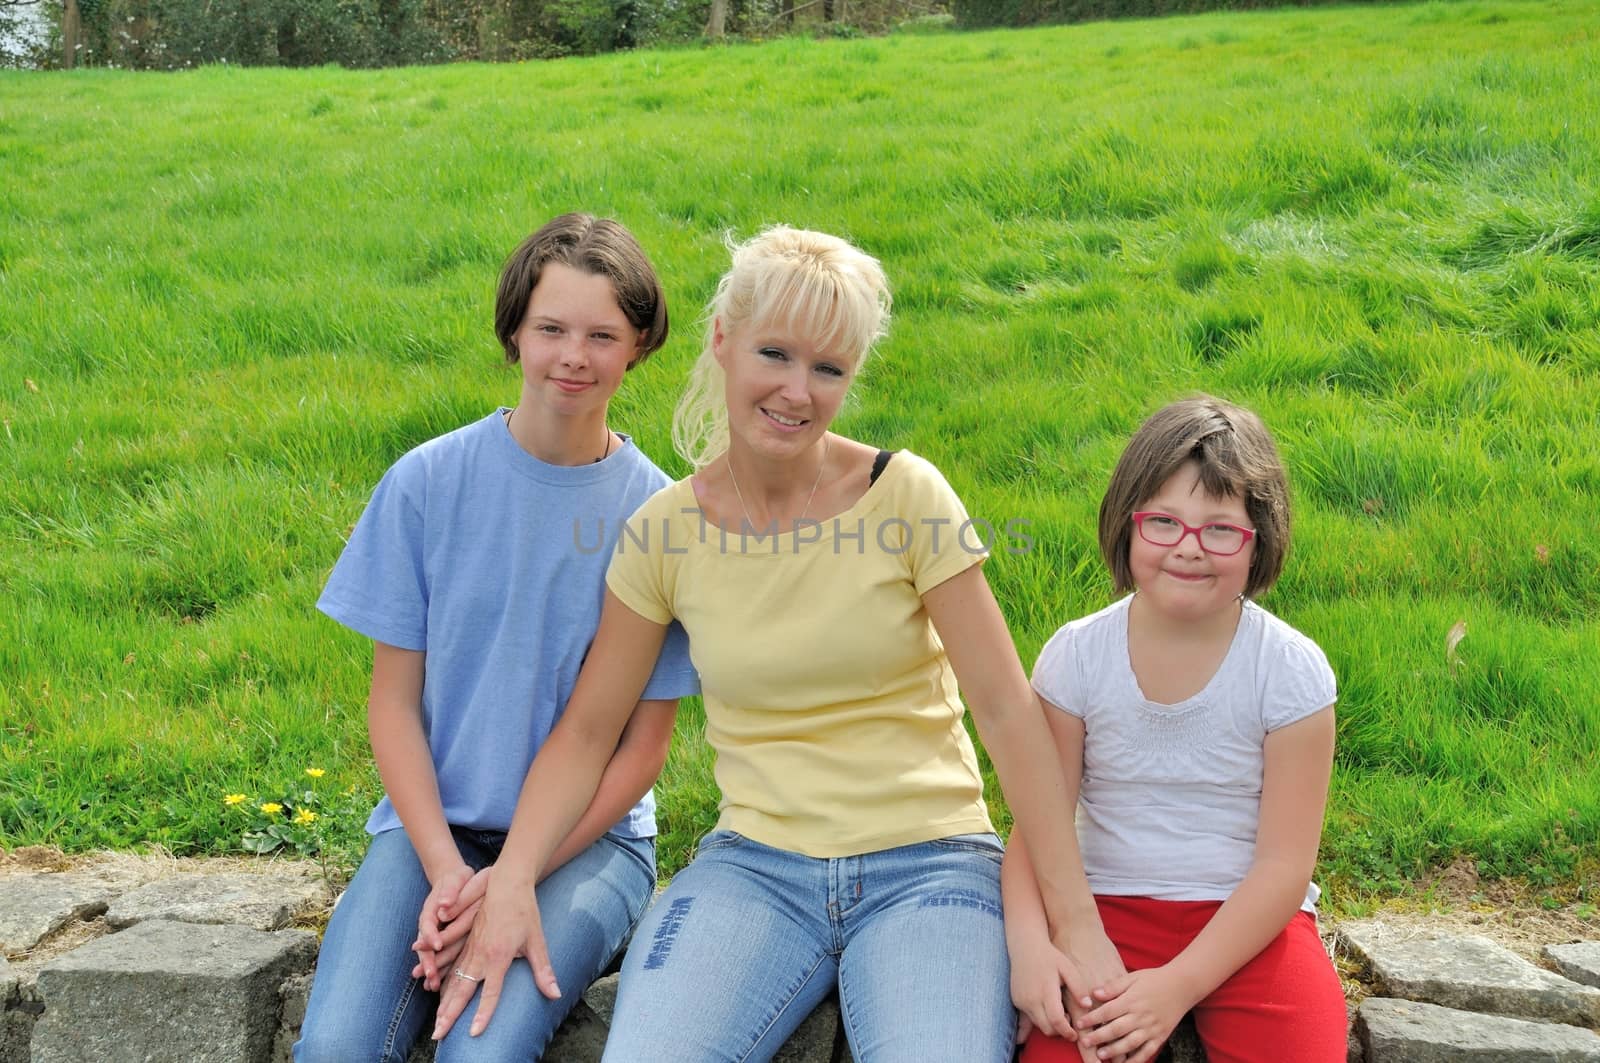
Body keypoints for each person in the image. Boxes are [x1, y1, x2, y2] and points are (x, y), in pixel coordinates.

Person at [431, 226, 1088, 1061]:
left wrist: (1073, 923)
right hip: (755, 870)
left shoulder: (906, 494)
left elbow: (1006, 710)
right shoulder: (662, 531)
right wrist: (513, 877)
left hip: (931, 864)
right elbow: (590, 730)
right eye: (773, 353)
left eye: (829, 368)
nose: (796, 390)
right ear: (723, 342)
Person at [294, 213, 699, 1063]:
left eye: (602, 335)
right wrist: (447, 872)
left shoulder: (659, 518)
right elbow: (393, 704)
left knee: (480, 1052)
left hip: (589, 842)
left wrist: (515, 876)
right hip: (432, 830)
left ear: (638, 348)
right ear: (514, 331)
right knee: (335, 1046)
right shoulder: (426, 482)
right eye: (550, 328)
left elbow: (642, 750)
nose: (572, 357)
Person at [1005, 395, 1346, 1063]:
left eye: (1221, 530)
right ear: (1127, 526)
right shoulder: (1077, 656)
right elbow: (1035, 823)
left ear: (1259, 541)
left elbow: (1283, 865)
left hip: (1249, 923)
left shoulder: (1289, 670)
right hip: (1100, 914)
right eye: (1163, 521)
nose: (1189, 549)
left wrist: (1178, 986)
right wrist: (1030, 948)